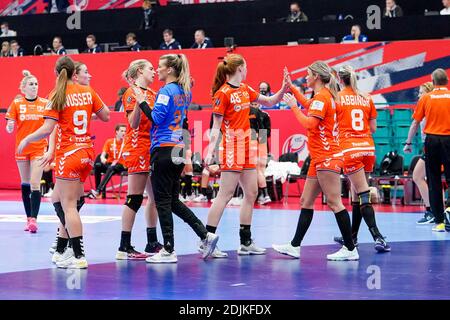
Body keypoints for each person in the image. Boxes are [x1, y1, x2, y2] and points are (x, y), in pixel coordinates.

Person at [17, 56, 110, 269]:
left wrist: (27, 138)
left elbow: (47, 129)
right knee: (60, 200)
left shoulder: (56, 95)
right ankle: (61, 248)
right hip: (86, 152)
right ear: (74, 72)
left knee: (68, 207)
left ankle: (77, 254)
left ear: (57, 73)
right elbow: (105, 116)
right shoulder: (88, 90)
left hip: (69, 154)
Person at [136, 53, 219, 263]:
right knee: (172, 200)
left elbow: (156, 118)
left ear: (170, 70)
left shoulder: (165, 91)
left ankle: (169, 249)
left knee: (162, 201)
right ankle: (205, 234)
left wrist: (142, 102)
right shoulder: (184, 91)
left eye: (160, 67)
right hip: (179, 149)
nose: (158, 70)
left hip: (163, 149)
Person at [204, 53, 288, 257]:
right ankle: (206, 240)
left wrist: (284, 88)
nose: (248, 70)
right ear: (240, 68)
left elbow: (269, 101)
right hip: (231, 147)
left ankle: (245, 242)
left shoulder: (245, 89)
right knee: (225, 194)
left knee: (251, 193)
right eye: (247, 66)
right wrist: (210, 152)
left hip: (247, 146)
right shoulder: (223, 93)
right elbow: (215, 126)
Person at [272, 62, 359, 261]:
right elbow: (309, 106)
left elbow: (310, 124)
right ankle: (294, 246)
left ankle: (350, 248)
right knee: (306, 201)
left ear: (317, 77)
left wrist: (293, 107)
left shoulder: (322, 97)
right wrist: (291, 86)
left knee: (335, 203)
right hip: (319, 157)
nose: (306, 78)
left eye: (308, 75)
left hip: (327, 157)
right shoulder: (322, 96)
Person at [331, 65, 390, 252]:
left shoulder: (337, 98)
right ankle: (352, 236)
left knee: (362, 192)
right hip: (367, 148)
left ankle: (378, 236)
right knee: (356, 193)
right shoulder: (366, 97)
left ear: (340, 79)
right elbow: (373, 128)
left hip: (350, 149)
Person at [115, 59, 163, 259]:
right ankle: (123, 246)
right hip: (137, 147)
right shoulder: (130, 93)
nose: (154, 72)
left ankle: (152, 242)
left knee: (155, 198)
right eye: (151, 69)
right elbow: (133, 124)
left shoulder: (153, 94)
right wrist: (138, 101)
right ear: (140, 71)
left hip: (152, 147)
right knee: (134, 198)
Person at [5, 70, 48, 233]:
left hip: (38, 148)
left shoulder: (44, 103)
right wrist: (9, 126)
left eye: (36, 84)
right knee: (25, 183)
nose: (34, 86)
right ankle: (28, 217)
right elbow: (9, 125)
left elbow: (50, 124)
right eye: (31, 84)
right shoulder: (17, 104)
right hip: (22, 149)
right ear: (23, 88)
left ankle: (34, 220)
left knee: (35, 183)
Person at [407, 69, 450, 232]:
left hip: (432, 141)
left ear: (433, 81)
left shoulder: (426, 98)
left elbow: (415, 123)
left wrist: (408, 142)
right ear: (446, 81)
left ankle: (439, 221)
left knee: (434, 181)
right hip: (449, 139)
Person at [403, 82, 434, 224]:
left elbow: (414, 124)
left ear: (427, 92)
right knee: (435, 180)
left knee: (418, 176)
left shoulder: (426, 103)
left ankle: (431, 211)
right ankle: (438, 211)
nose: (419, 95)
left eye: (421, 92)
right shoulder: (436, 104)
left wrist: (408, 143)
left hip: (432, 144)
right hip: (435, 144)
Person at [90, 124, 127, 199]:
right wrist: (103, 158)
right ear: (116, 132)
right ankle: (100, 192)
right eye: (122, 131)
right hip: (110, 164)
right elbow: (103, 154)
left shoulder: (127, 143)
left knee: (112, 168)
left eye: (125, 131)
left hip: (121, 165)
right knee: (98, 165)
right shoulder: (109, 142)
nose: (124, 133)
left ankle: (98, 191)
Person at [250, 102, 272, 205]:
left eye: (256, 103)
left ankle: (264, 195)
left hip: (257, 143)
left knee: (258, 171)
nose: (254, 105)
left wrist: (257, 136)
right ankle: (262, 195)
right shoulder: (252, 113)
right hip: (258, 142)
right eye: (252, 104)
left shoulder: (264, 115)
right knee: (258, 171)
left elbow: (267, 133)